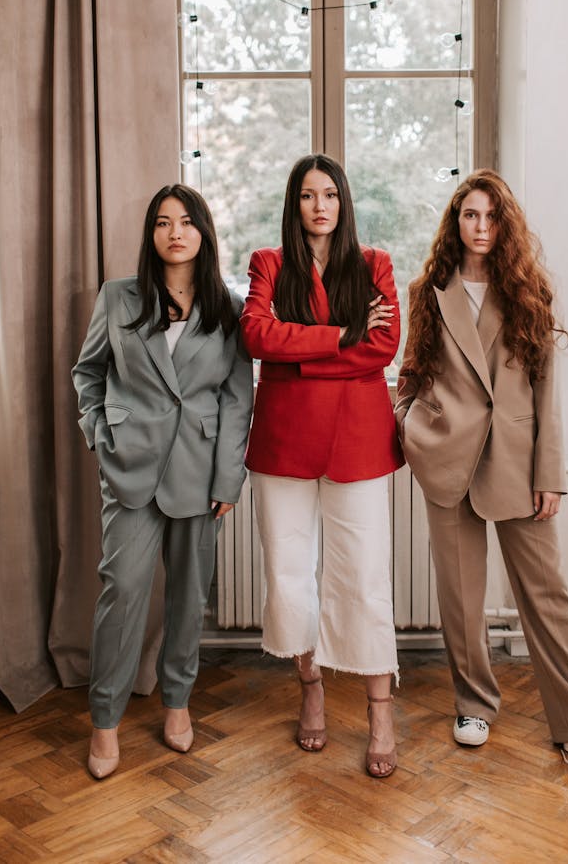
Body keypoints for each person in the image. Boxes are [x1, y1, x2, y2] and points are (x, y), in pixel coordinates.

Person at [395, 169, 568, 774]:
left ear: (504, 223)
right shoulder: (428, 290)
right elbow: (411, 373)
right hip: (445, 459)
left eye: (491, 216)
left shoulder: (528, 289)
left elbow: (547, 390)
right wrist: (409, 423)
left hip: (516, 463)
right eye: (470, 215)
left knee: (548, 598)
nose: (480, 227)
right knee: (459, 598)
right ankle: (474, 704)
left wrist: (550, 474)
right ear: (455, 222)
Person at [72, 183, 253, 779]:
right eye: (162, 222)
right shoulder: (119, 297)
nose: (174, 232)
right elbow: (88, 372)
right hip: (129, 468)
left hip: (200, 476)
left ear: (203, 232)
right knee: (121, 592)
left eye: (186, 221)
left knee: (187, 597)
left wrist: (229, 478)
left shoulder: (229, 307)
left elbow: (236, 399)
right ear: (151, 235)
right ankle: (105, 719)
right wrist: (100, 431)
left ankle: (177, 703)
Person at [240, 154, 403, 778]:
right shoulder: (268, 264)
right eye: (308, 195)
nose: (319, 206)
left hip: (357, 442)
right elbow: (255, 336)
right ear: (295, 203)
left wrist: (297, 351)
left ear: (344, 202)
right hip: (283, 444)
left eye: (329, 194)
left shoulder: (374, 265)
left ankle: (379, 710)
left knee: (363, 576)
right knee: (288, 573)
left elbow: (383, 347)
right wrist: (340, 336)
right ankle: (310, 688)